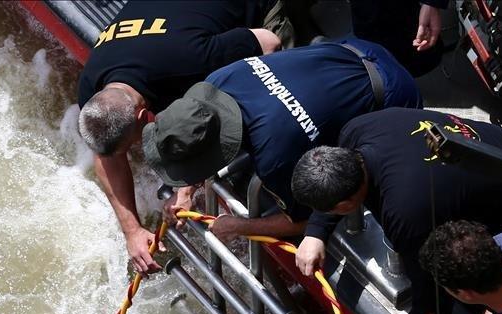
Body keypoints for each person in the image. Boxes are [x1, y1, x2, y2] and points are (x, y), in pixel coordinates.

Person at [290, 108, 502, 314]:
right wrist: (316, 231)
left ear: (344, 205)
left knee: (493, 294)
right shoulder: (359, 128)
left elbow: (433, 289)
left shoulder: (407, 214)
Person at [145, 37, 422, 257]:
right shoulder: (218, 80)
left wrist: (239, 227)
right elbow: (200, 128)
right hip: (356, 47)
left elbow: (305, 220)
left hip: (394, 93)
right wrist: (186, 190)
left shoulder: (274, 157)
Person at [78, 1, 286, 275]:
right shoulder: (93, 85)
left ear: (143, 117)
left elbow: (270, 42)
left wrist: (187, 184)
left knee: (281, 88)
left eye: (133, 144)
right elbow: (106, 155)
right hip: (180, 20)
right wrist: (132, 231)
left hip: (254, 18)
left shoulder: (190, 59)